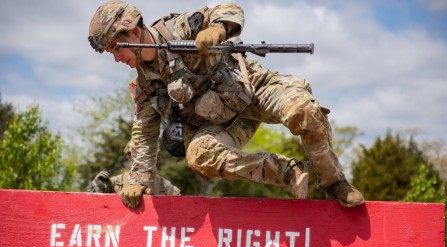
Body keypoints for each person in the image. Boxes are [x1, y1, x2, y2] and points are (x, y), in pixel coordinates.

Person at [88, 1, 364, 209]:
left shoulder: (180, 28)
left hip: (253, 88)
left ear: (133, 32)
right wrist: (139, 180)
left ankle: (334, 182)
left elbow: (229, 9)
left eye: (116, 48)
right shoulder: (146, 86)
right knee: (198, 156)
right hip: (225, 124)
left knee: (303, 111)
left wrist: (218, 29)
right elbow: (144, 135)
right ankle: (289, 171)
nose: (116, 59)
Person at [89, 140, 181, 198]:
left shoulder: (165, 187)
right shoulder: (115, 183)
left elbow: (179, 213)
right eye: (133, 155)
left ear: (156, 158)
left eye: (146, 157)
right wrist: (99, 191)